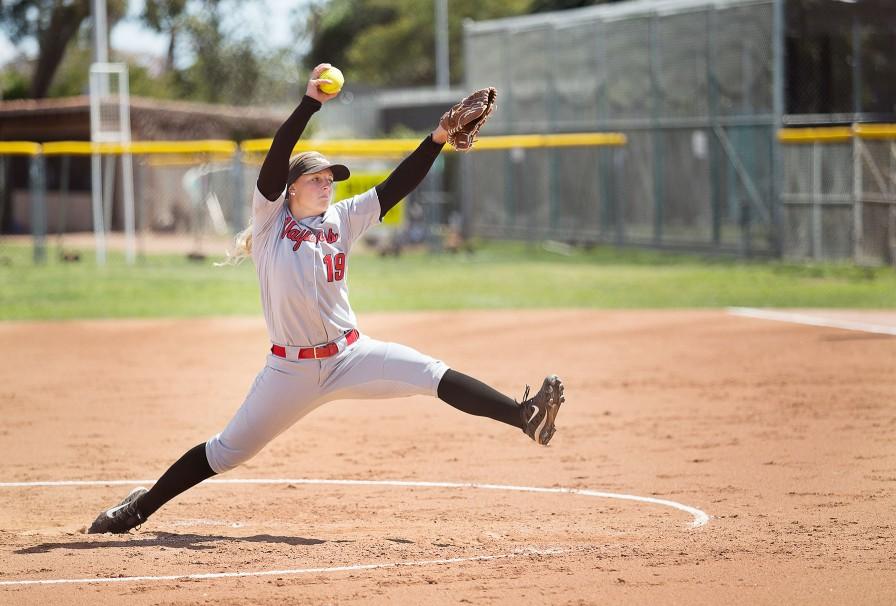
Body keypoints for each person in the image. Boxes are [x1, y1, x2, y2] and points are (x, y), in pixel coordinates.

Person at [87, 64, 564, 535]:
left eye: (330, 178)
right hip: (289, 371)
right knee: (226, 451)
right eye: (316, 178)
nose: (327, 182)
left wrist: (438, 137)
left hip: (352, 354)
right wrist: (310, 103)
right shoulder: (272, 220)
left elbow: (396, 186)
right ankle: (139, 508)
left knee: (431, 374)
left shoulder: (342, 219)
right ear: (290, 188)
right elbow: (277, 156)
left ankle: (524, 417)